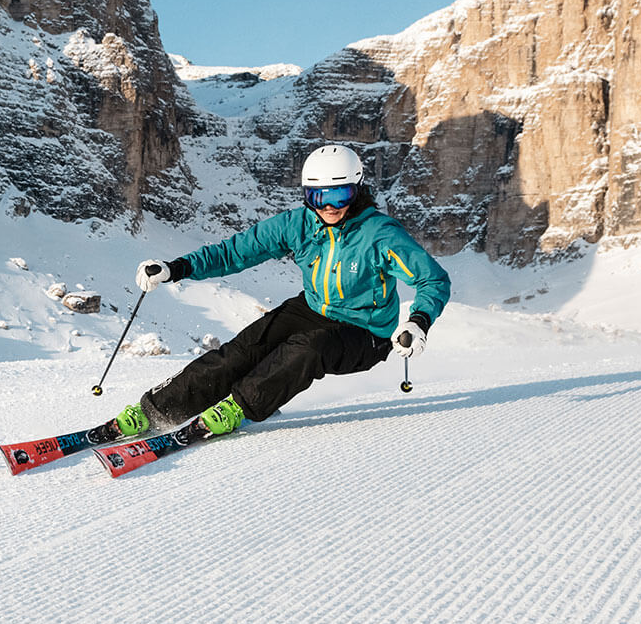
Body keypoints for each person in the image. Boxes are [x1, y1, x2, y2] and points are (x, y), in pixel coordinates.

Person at [105, 143, 451, 441]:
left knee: (306, 349)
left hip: (366, 331)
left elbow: (432, 280)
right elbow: (236, 251)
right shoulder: (298, 224)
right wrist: (176, 268)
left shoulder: (380, 234)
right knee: (242, 350)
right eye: (318, 197)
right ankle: (155, 411)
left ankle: (238, 408)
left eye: (340, 195)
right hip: (314, 309)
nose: (329, 207)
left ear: (357, 189)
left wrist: (418, 322)